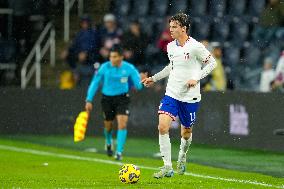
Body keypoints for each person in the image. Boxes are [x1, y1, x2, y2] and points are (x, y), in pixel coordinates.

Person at [142, 13, 217, 178]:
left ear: (184, 28)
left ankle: (182, 155)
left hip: (190, 96)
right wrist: (154, 78)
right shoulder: (170, 47)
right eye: (170, 26)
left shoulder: (195, 46)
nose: (171, 29)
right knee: (162, 127)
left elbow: (213, 63)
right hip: (172, 93)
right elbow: (172, 67)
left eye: (174, 26)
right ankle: (167, 166)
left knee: (186, 133)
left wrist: (196, 78)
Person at [85, 45, 147, 160]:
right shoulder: (104, 67)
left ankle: (119, 152)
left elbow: (138, 87)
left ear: (121, 57)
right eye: (110, 57)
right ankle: (108, 142)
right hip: (107, 99)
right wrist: (89, 99)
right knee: (108, 126)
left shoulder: (129, 68)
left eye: (114, 57)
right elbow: (94, 83)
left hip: (122, 98)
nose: (111, 59)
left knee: (122, 124)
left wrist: (142, 80)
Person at [61, 15, 99, 86]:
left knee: (93, 59)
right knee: (68, 55)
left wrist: (85, 52)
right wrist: (67, 50)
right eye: (83, 22)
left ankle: (94, 74)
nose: (84, 24)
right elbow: (74, 45)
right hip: (80, 55)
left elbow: (94, 45)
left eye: (86, 22)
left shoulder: (93, 33)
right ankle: (75, 72)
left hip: (91, 56)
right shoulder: (79, 34)